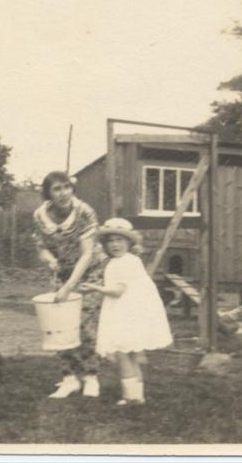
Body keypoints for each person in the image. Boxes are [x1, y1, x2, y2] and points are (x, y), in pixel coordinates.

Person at [79, 218, 173, 406]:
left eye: (119, 240)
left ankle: (130, 398)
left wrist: (93, 288)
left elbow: (117, 291)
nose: (115, 245)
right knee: (130, 354)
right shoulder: (129, 260)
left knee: (122, 354)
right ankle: (138, 397)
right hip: (130, 311)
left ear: (129, 242)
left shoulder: (122, 263)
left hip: (125, 313)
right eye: (110, 241)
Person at [32, 171, 104, 398]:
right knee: (59, 325)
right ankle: (69, 378)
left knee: (84, 324)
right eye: (57, 189)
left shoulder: (84, 212)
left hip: (89, 273)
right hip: (62, 273)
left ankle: (91, 376)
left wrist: (69, 287)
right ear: (48, 193)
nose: (63, 193)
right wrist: (49, 259)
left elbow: (86, 254)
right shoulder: (40, 216)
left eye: (66, 187)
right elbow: (41, 246)